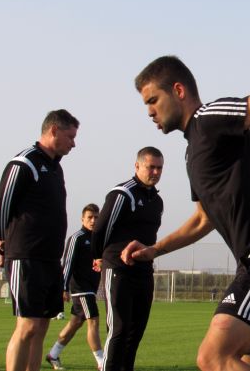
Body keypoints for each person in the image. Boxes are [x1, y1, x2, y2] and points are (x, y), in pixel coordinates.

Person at [122, 55, 250, 371]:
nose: (149, 111)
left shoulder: (209, 118)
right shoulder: (192, 153)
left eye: (152, 100)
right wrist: (155, 250)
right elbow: (203, 220)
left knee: (212, 357)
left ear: (178, 90)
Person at [0, 109, 79, 371]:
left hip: (50, 258)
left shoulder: (55, 168)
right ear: (54, 130)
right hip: (26, 256)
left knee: (41, 326)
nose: (74, 143)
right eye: (70, 136)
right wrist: (1, 240)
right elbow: (1, 207)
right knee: (27, 326)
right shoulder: (24, 163)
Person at [91, 147, 164, 371]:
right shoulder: (123, 194)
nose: (155, 172)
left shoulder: (157, 201)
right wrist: (98, 256)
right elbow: (101, 228)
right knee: (119, 330)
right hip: (119, 271)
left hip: (144, 272)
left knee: (136, 332)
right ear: (137, 166)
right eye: (150, 167)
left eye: (159, 168)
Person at [46, 204, 103, 370]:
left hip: (91, 287)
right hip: (80, 288)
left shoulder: (98, 238)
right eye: (90, 217)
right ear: (82, 219)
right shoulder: (77, 237)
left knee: (75, 324)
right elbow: (68, 263)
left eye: (96, 217)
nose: (93, 221)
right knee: (93, 320)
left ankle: (53, 354)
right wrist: (63, 288)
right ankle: (101, 362)